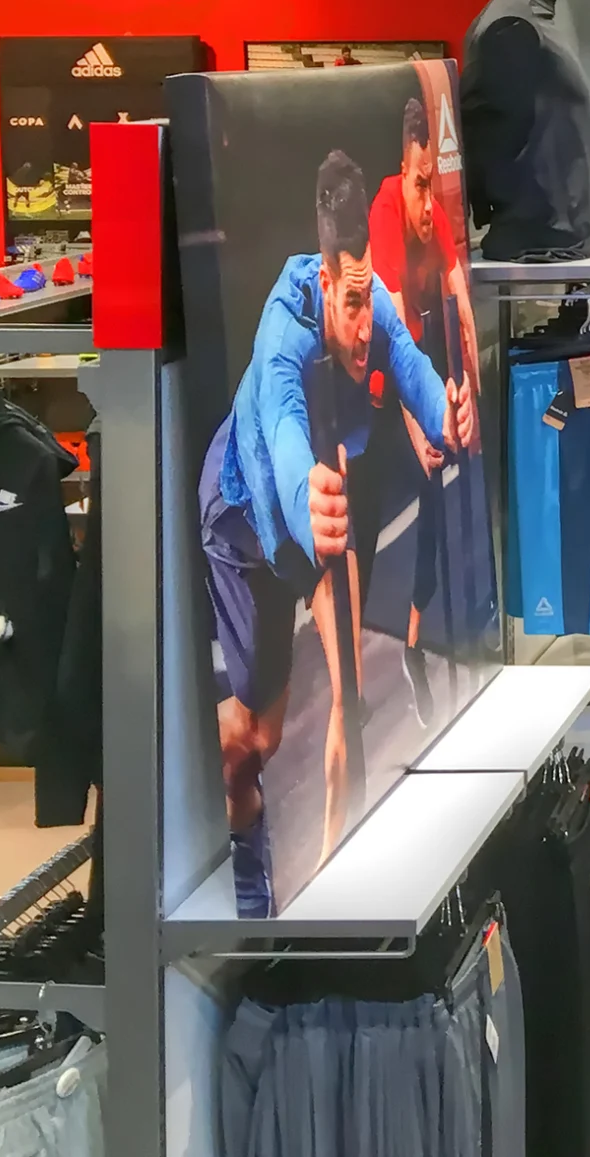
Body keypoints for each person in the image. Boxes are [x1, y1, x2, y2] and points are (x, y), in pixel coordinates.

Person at [197, 151, 467, 915]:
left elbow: (412, 365)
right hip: (250, 525)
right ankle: (220, 818)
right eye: (350, 303)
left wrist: (448, 414)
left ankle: (329, 882)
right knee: (255, 740)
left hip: (321, 523)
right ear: (323, 282)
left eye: (367, 298)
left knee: (350, 697)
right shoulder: (282, 338)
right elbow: (285, 434)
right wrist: (304, 494)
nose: (362, 324)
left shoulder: (369, 297)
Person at [367, 93, 484, 715]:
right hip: (374, 376)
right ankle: (352, 676)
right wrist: (419, 430)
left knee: (434, 509)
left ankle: (412, 645)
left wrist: (471, 396)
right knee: (364, 520)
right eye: (419, 183)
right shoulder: (387, 212)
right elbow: (392, 341)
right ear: (402, 170)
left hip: (414, 362)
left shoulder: (430, 211)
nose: (426, 200)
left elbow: (463, 308)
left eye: (432, 184)